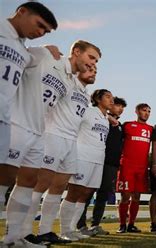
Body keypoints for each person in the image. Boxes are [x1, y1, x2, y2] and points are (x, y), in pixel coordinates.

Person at [22, 42, 101, 244]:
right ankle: (23, 232)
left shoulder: (84, 94)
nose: (93, 69)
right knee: (39, 185)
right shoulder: (67, 79)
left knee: (58, 187)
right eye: (91, 63)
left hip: (71, 141)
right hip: (53, 136)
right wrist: (50, 52)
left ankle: (46, 231)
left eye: (96, 67)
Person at [0, 5, 57, 243]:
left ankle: (13, 237)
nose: (41, 32)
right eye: (39, 25)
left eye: (46, 31)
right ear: (22, 11)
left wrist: (46, 50)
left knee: (5, 178)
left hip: (5, 118)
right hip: (17, 124)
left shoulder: (24, 51)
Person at [58, 89, 113, 241]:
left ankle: (72, 228)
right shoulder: (88, 112)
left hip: (98, 158)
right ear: (97, 98)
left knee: (86, 194)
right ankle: (64, 230)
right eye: (108, 97)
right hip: (83, 156)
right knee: (74, 192)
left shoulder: (105, 118)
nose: (111, 100)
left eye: (112, 97)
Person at [76, 97, 127, 235]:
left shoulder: (120, 125)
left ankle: (95, 225)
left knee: (103, 195)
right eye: (117, 105)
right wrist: (107, 117)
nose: (120, 108)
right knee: (86, 193)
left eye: (122, 107)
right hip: (96, 160)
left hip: (112, 164)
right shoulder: (102, 120)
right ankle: (80, 225)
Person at [116, 103, 153, 233]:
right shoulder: (127, 125)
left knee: (137, 196)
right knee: (125, 196)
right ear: (136, 111)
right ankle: (122, 225)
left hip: (142, 167)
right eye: (144, 110)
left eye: (149, 111)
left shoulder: (151, 129)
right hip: (127, 166)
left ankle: (131, 224)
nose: (147, 113)